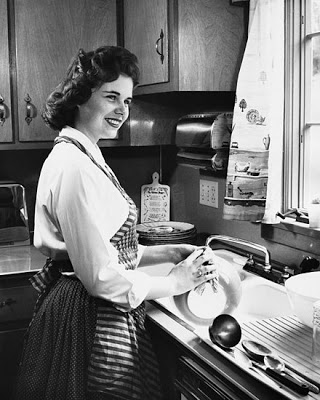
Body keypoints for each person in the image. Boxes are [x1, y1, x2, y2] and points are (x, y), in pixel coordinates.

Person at [15, 45, 218, 400]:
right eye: (112, 97)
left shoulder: (84, 154)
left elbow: (110, 251)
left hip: (84, 305)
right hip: (89, 318)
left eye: (127, 100)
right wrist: (176, 281)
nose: (122, 111)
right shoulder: (74, 166)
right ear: (79, 98)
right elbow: (101, 278)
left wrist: (171, 252)